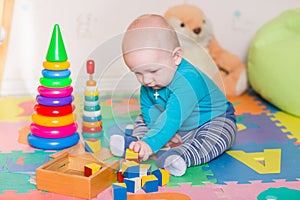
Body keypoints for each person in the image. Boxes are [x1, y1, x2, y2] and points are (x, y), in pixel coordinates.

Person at [110, 14, 237, 176]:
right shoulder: (150, 82)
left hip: (213, 120)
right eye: (138, 73)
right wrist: (157, 136)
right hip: (177, 124)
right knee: (143, 117)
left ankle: (181, 155)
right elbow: (150, 108)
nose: (146, 80)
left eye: (153, 71)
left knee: (219, 136)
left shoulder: (188, 79)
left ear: (176, 57)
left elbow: (173, 116)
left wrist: (152, 142)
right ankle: (136, 145)